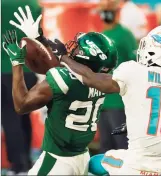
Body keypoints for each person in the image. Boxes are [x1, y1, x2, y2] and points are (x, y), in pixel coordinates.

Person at [62, 25, 161, 175]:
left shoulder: (134, 71)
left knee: (94, 163)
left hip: (136, 168)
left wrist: (63, 57)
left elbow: (91, 79)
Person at [3, 15, 118, 176]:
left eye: (78, 48)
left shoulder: (62, 79)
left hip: (58, 161)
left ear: (86, 56)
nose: (73, 48)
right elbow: (71, 72)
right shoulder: (101, 81)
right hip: (81, 158)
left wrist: (16, 63)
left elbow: (21, 105)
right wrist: (39, 39)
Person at [1, 1, 41, 174]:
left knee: (10, 118)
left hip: (5, 68)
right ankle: (27, 160)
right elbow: (39, 38)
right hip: (29, 69)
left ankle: (19, 165)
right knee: (24, 116)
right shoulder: (33, 4)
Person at [98, 0, 137, 152]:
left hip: (119, 100)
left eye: (109, 8)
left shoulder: (125, 34)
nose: (106, 12)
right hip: (102, 100)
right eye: (103, 9)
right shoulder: (101, 35)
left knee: (122, 144)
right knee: (105, 145)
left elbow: (134, 63)